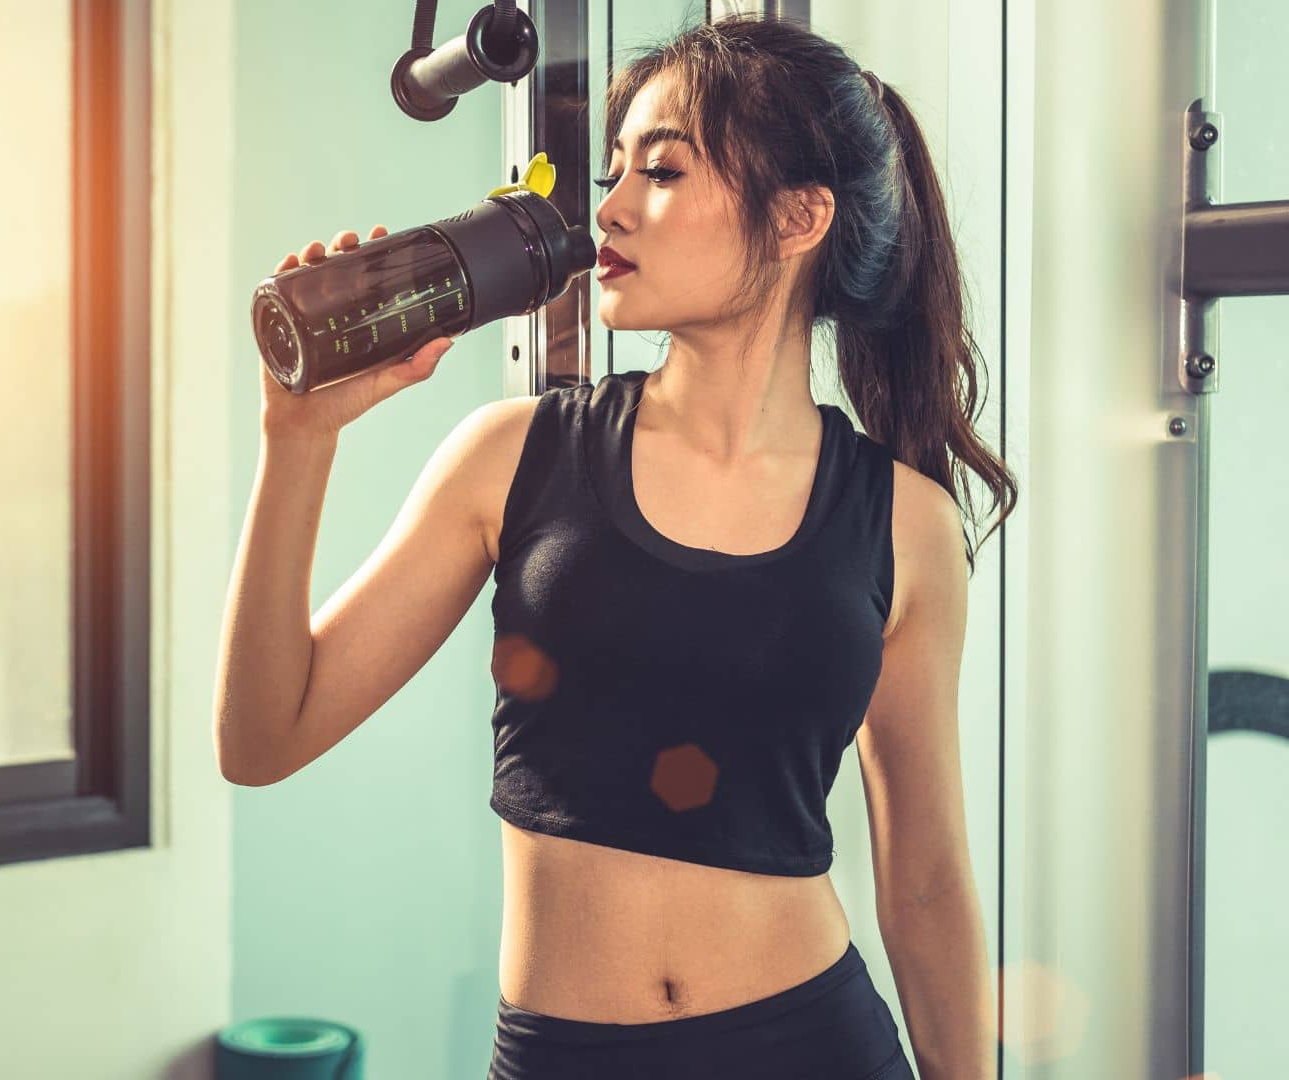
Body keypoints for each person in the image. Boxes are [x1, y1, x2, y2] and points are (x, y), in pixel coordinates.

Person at [215, 13, 1015, 1078]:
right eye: (614, 171)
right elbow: (262, 740)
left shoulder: (905, 525)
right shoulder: (512, 457)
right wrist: (298, 439)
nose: (610, 209)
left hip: (813, 1044)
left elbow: (924, 879)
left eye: (665, 172)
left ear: (797, 218)